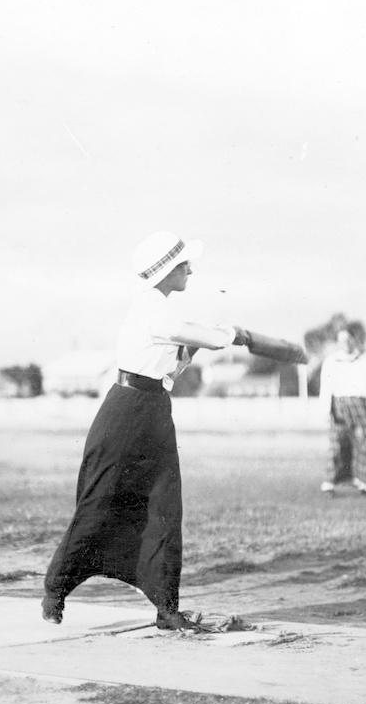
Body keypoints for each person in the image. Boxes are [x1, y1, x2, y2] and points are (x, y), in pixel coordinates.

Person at [42, 230, 255, 631]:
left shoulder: (163, 311)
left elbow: (170, 372)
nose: (190, 270)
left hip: (154, 408)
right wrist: (233, 334)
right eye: (183, 265)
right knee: (99, 501)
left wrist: (193, 352)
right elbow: (208, 337)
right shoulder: (153, 310)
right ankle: (55, 589)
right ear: (167, 272)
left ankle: (166, 609)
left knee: (164, 506)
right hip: (124, 412)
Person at [318, 322, 366, 495]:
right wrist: (325, 409)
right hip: (338, 405)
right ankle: (330, 484)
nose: (345, 343)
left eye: (348, 339)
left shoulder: (365, 360)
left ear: (354, 340)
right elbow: (326, 387)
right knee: (338, 445)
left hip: (359, 405)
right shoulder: (331, 361)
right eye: (342, 340)